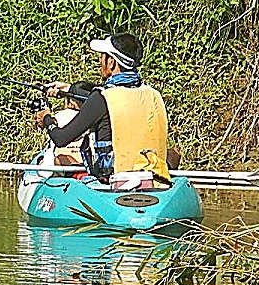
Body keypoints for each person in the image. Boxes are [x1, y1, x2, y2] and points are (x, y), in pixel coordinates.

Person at [31, 34, 171, 187]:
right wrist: (69, 89)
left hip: (114, 181)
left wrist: (46, 117)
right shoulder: (153, 94)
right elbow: (119, 99)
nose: (100, 62)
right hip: (154, 179)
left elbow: (61, 138)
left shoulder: (102, 98)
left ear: (111, 62)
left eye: (102, 57)